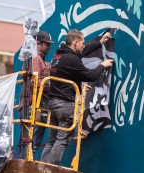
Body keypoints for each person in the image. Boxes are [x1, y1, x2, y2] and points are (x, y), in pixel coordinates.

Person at [40, 29, 113, 165]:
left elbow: (80, 53)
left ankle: (42, 167)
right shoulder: (71, 59)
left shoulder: (59, 55)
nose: (84, 45)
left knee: (52, 139)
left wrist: (98, 42)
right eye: (82, 43)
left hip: (54, 103)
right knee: (62, 140)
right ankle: (49, 168)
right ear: (75, 43)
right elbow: (89, 76)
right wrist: (102, 65)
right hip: (65, 105)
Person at [13, 31, 55, 159]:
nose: (49, 47)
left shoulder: (37, 59)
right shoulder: (36, 58)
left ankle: (17, 166)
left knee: (24, 142)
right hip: (33, 106)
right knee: (31, 143)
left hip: (29, 106)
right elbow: (35, 82)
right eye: (46, 44)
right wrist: (51, 85)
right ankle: (22, 167)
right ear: (38, 43)